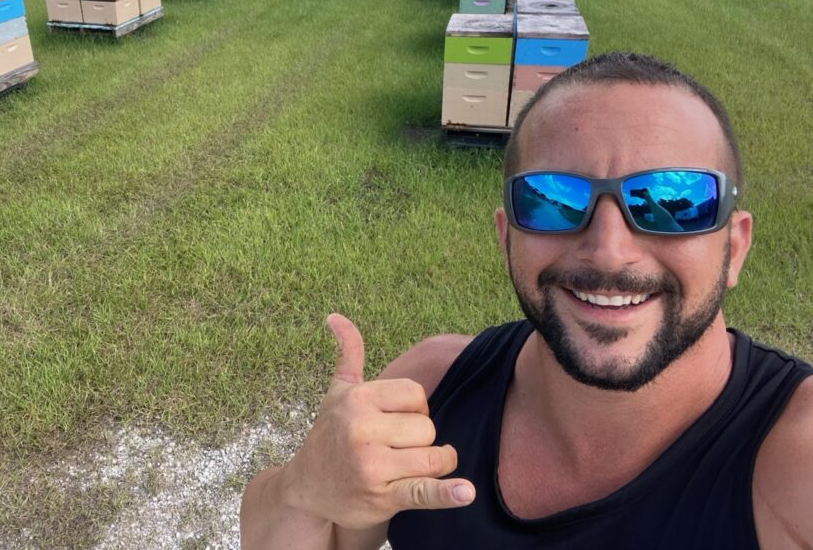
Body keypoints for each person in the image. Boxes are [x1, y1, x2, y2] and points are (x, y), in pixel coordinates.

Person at [240, 52, 813, 549]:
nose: (609, 251)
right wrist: (303, 487)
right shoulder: (433, 389)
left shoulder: (791, 460)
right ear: (506, 237)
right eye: (552, 199)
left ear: (734, 248)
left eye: (673, 200)